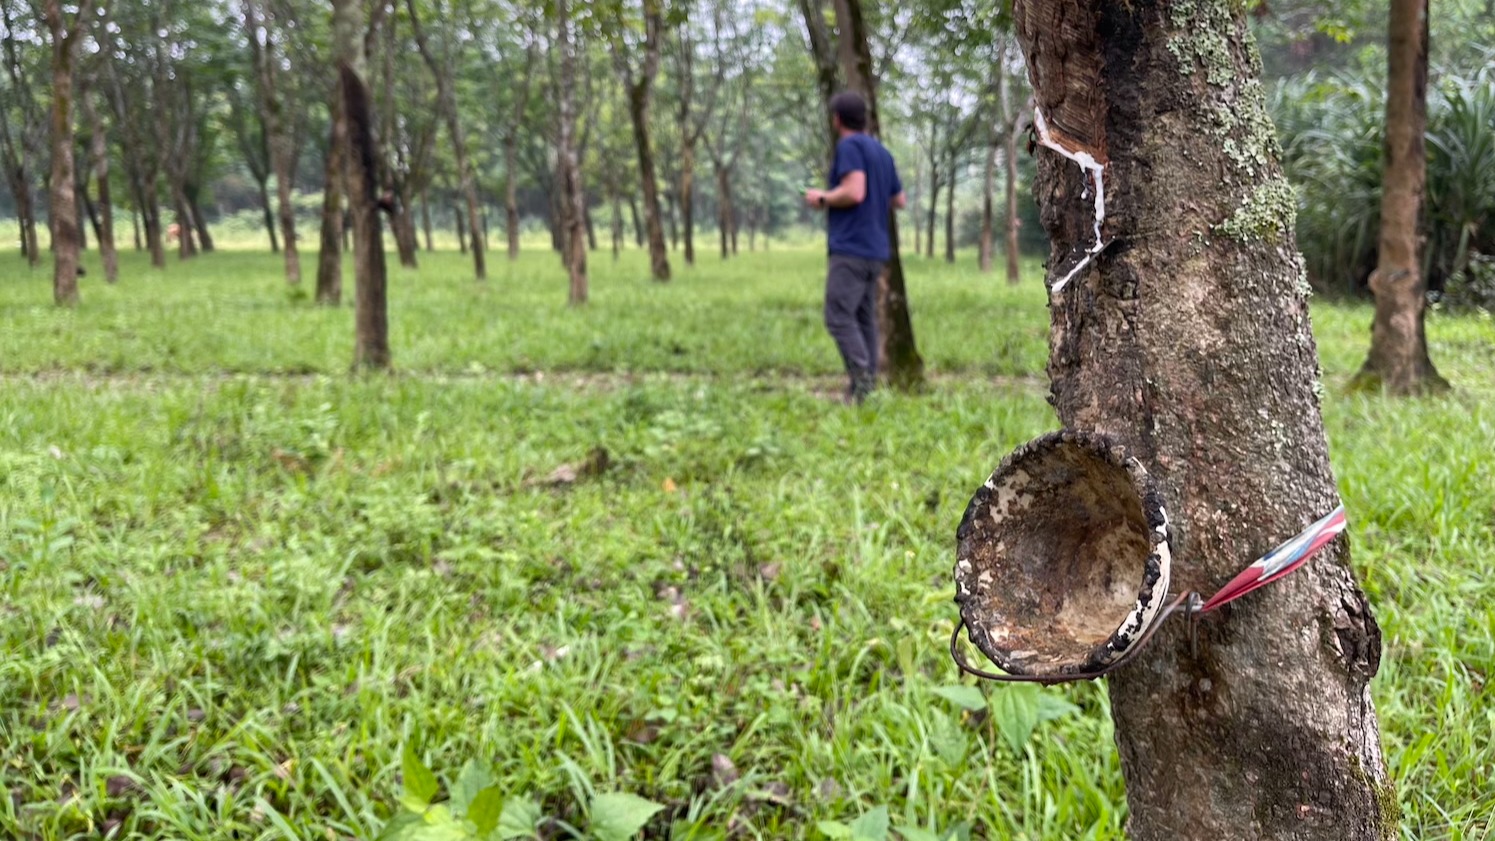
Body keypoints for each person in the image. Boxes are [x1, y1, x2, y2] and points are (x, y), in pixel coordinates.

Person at [804, 91, 907, 404]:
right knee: (864, 318)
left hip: (851, 246)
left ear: (837, 120)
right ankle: (866, 387)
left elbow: (855, 191)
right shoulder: (882, 152)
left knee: (837, 315)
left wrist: (822, 198)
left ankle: (861, 379)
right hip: (876, 250)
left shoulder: (849, 146)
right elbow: (898, 200)